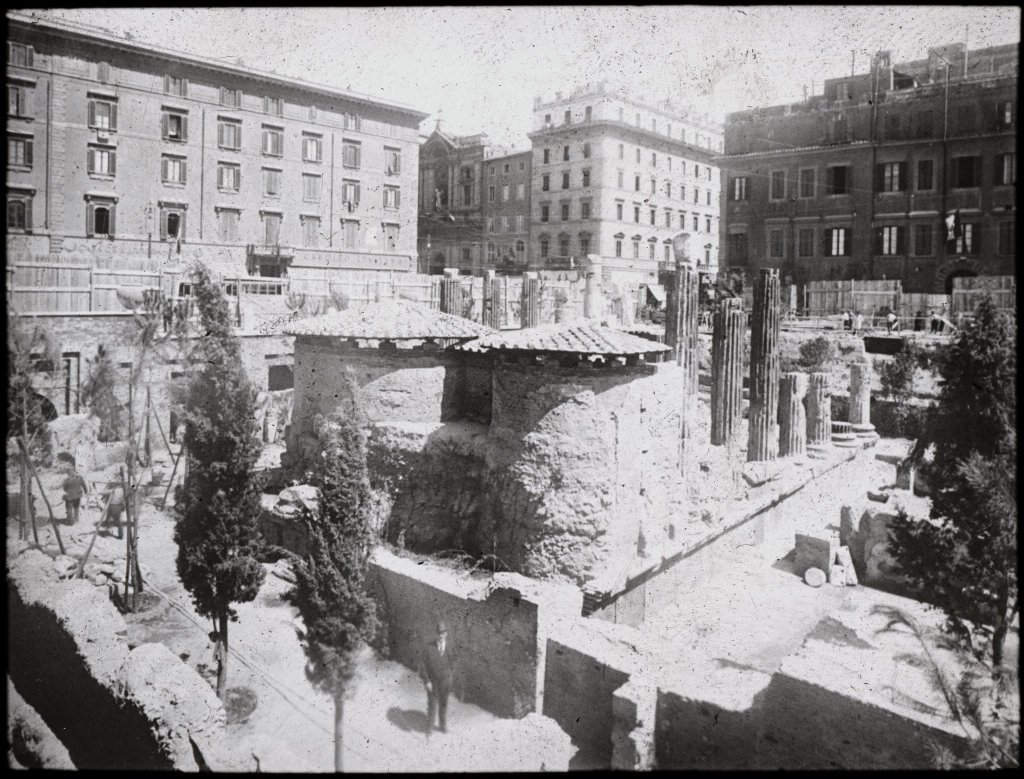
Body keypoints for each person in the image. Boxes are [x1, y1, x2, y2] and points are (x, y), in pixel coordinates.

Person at [418, 620, 455, 735]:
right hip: (433, 683)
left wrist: (450, 677)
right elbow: (422, 665)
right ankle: (429, 729)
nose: (441, 636)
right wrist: (427, 681)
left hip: (445, 682)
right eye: (439, 633)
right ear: (436, 634)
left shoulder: (451, 648)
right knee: (432, 705)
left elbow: (455, 663)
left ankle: (442, 726)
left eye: (443, 633)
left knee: (443, 704)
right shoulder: (428, 648)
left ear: (446, 633)